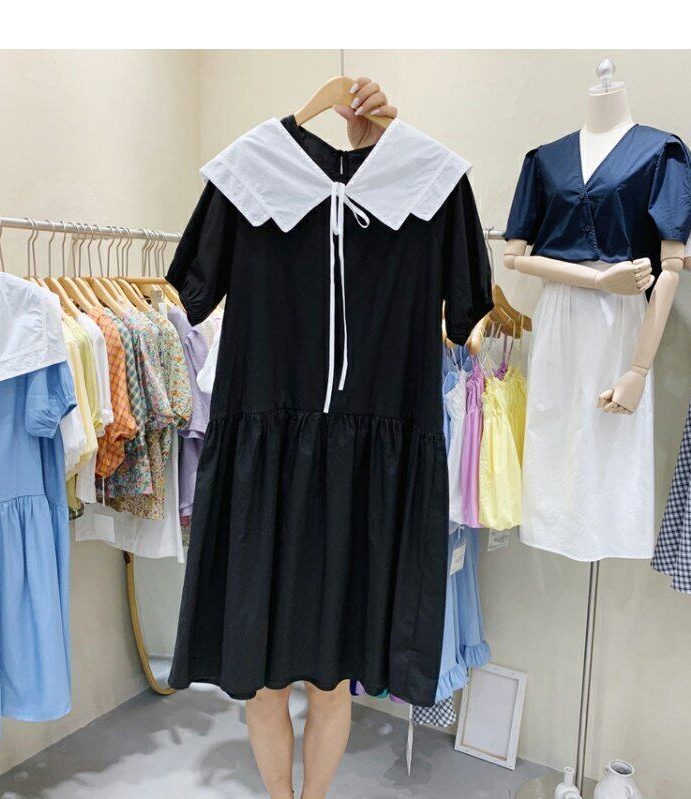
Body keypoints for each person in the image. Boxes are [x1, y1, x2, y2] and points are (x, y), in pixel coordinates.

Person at [244, 77, 398, 799]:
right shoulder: (246, 174)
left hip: (352, 475)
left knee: (329, 678)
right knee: (269, 679)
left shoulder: (426, 186)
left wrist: (385, 151)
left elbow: (466, 306)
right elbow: (198, 288)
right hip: (270, 472)